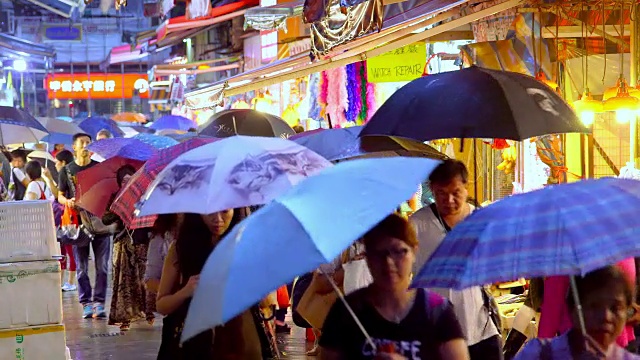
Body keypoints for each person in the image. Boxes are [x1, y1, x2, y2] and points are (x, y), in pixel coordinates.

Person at [319, 213, 469, 360]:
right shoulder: (346, 311)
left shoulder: (437, 310)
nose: (388, 262)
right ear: (368, 257)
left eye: (399, 252)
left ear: (414, 251)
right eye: (379, 253)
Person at [409, 159, 502, 360]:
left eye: (456, 193)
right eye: (441, 193)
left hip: (480, 326)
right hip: (436, 333)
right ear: (432, 190)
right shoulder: (417, 224)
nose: (449, 200)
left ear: (466, 188)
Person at [156, 210, 266, 359]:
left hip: (241, 341)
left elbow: (266, 300)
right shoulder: (181, 249)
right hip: (194, 343)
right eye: (210, 213)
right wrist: (185, 291)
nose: (218, 219)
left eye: (225, 211)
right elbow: (162, 305)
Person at [515, 266, 640, 359]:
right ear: (574, 309)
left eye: (615, 308)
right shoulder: (538, 354)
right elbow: (550, 311)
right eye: (594, 306)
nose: (606, 317)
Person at [58, 133, 111, 319]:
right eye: (83, 143)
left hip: (99, 223)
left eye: (89, 143)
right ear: (74, 147)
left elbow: (107, 192)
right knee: (81, 268)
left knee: (102, 267)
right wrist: (68, 201)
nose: (86, 146)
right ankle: (86, 302)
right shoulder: (66, 171)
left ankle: (99, 303)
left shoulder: (99, 168)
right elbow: (60, 195)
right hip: (78, 225)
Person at [102, 165, 152, 331]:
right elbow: (105, 219)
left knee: (144, 279)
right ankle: (125, 317)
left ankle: (148, 311)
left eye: (130, 179)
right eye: (124, 180)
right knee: (124, 281)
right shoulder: (115, 197)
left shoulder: (145, 196)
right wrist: (118, 210)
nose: (127, 183)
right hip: (122, 243)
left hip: (141, 241)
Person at [144, 214, 184, 315]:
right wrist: (171, 291)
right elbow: (149, 280)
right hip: (178, 310)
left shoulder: (207, 234)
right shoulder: (161, 239)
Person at [55, 150, 77, 292]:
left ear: (63, 163)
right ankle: (63, 281)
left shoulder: (69, 175)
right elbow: (59, 196)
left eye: (57, 162)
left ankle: (71, 282)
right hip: (64, 218)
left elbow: (60, 196)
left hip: (71, 217)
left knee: (70, 250)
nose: (55, 164)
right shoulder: (63, 175)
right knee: (63, 250)